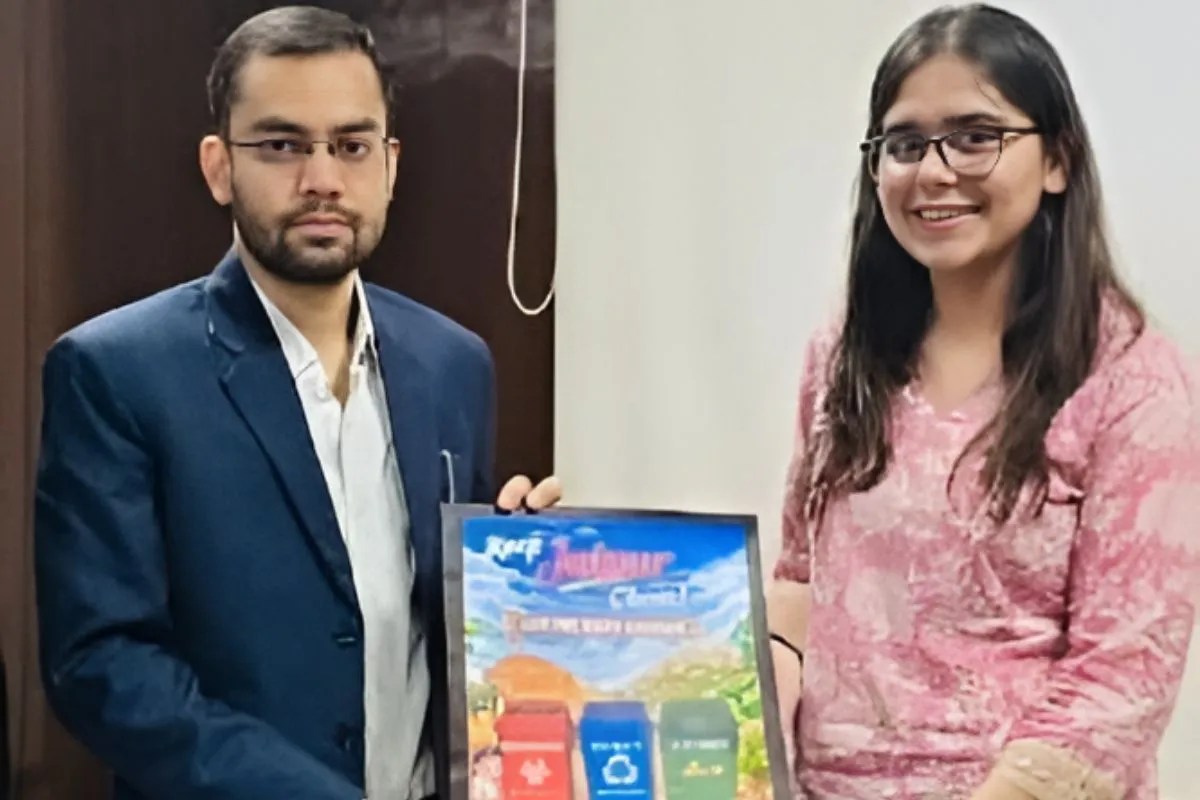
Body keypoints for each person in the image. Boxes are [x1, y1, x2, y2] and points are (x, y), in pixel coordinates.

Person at [33, 7, 559, 800]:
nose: (323, 180)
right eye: (283, 145)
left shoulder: (454, 365)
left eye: (351, 145)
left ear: (390, 166)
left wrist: (520, 573)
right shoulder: (116, 372)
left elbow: (438, 634)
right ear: (219, 167)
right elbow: (103, 665)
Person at [766, 5, 1200, 799]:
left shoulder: (1133, 380)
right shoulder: (842, 355)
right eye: (904, 144)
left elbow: (1123, 678)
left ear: (1057, 159)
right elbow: (800, 585)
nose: (933, 172)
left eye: (975, 136)